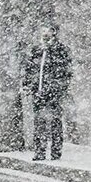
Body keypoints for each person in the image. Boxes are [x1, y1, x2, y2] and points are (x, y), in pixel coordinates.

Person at [21, 23, 73, 161]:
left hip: (53, 93)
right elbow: (30, 69)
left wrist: (55, 87)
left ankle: (56, 151)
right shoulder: (36, 50)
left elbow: (65, 73)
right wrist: (27, 85)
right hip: (38, 92)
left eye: (48, 31)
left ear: (54, 32)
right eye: (42, 30)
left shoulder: (60, 50)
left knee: (55, 121)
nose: (45, 34)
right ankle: (39, 151)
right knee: (39, 122)